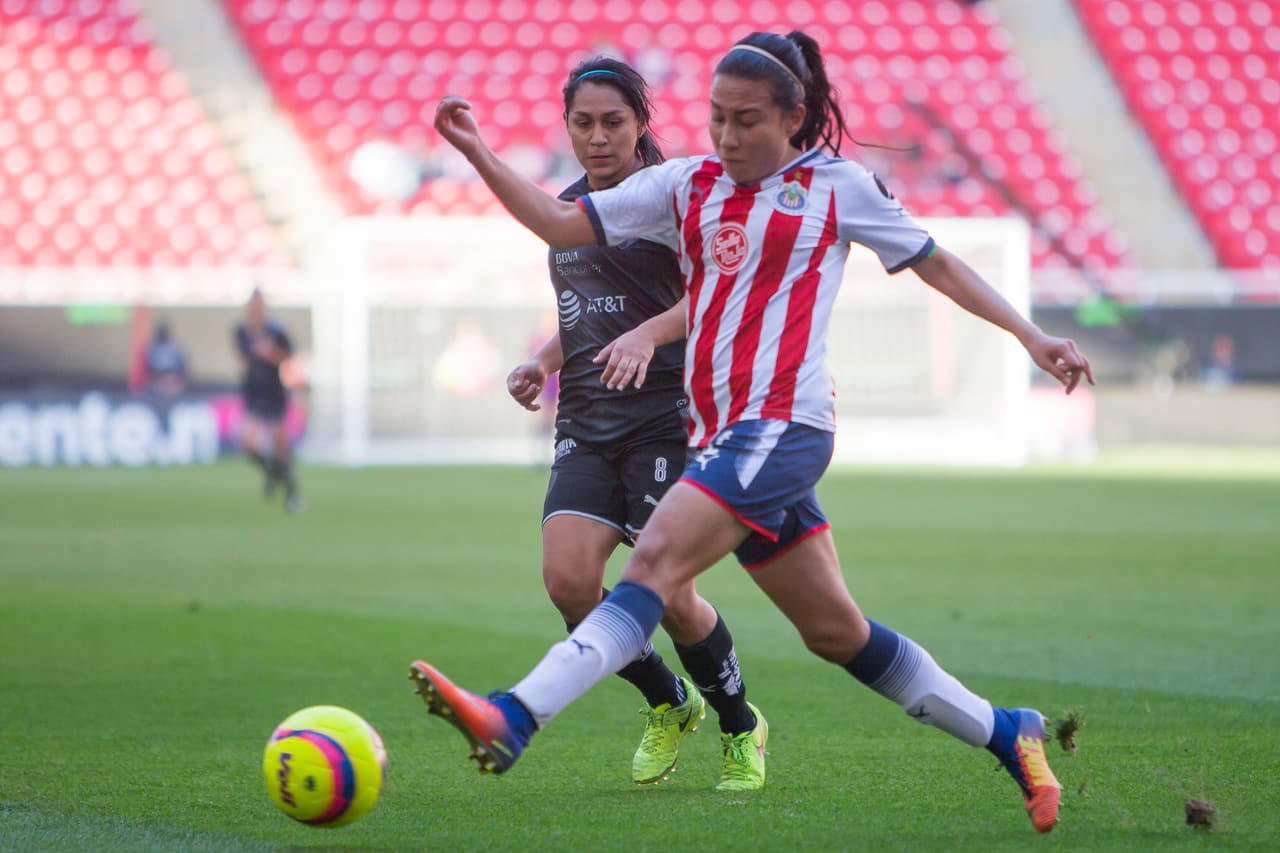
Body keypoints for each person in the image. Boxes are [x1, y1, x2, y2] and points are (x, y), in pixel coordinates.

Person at [415, 31, 1094, 833]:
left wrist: (1029, 335)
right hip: (724, 436)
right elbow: (562, 225)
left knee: (654, 566)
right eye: (717, 118)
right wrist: (477, 150)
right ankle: (1008, 732)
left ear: (791, 118)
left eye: (746, 121)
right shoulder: (687, 183)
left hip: (783, 426)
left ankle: (514, 715)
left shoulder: (835, 187)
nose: (728, 137)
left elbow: (935, 260)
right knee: (836, 632)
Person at [418, 57, 770, 792]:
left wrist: (649, 336)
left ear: (641, 124)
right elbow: (589, 310)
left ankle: (740, 725)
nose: (598, 137)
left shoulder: (676, 199)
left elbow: (715, 298)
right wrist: (543, 360)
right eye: (583, 123)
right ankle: (669, 701)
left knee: (669, 593)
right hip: (584, 416)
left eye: (613, 122)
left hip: (666, 417)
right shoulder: (573, 207)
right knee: (570, 583)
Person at [233, 288, 301, 514]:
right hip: (254, 393)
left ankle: (292, 491)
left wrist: (270, 354)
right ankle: (273, 474)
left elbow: (287, 356)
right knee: (249, 445)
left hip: (274, 392)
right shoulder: (242, 331)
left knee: (281, 447)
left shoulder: (276, 331)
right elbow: (243, 358)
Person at [146, 321, 188, 397]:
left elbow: (182, 365)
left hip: (173, 376)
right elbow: (149, 367)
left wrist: (176, 379)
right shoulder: (152, 349)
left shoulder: (175, 348)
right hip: (158, 377)